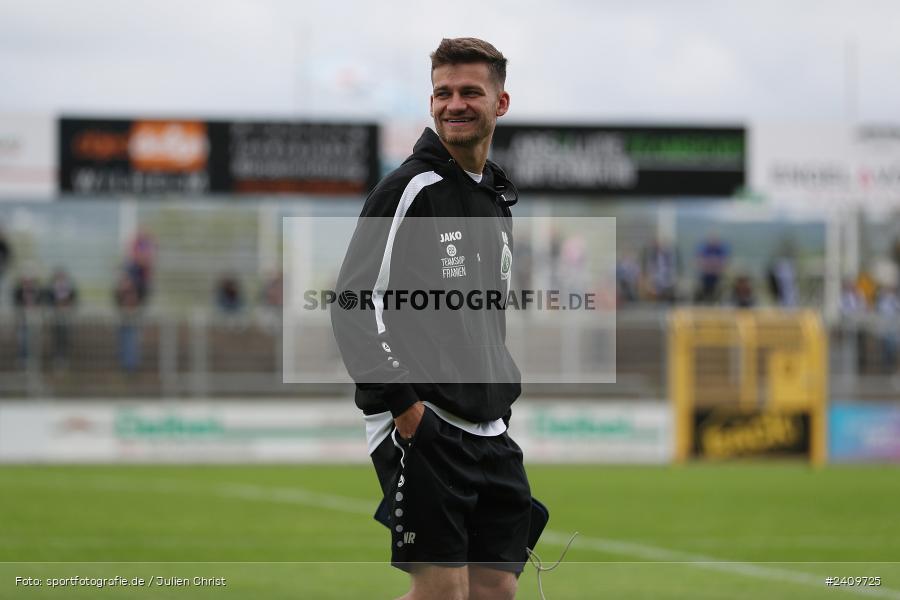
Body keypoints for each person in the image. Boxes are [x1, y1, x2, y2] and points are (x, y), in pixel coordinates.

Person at [331, 38, 537, 600]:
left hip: (488, 427)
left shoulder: (496, 198)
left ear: (501, 102)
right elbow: (352, 301)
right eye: (443, 93)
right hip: (423, 421)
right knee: (443, 593)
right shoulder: (410, 189)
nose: (455, 104)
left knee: (495, 589)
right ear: (430, 103)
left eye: (471, 91)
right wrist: (403, 405)